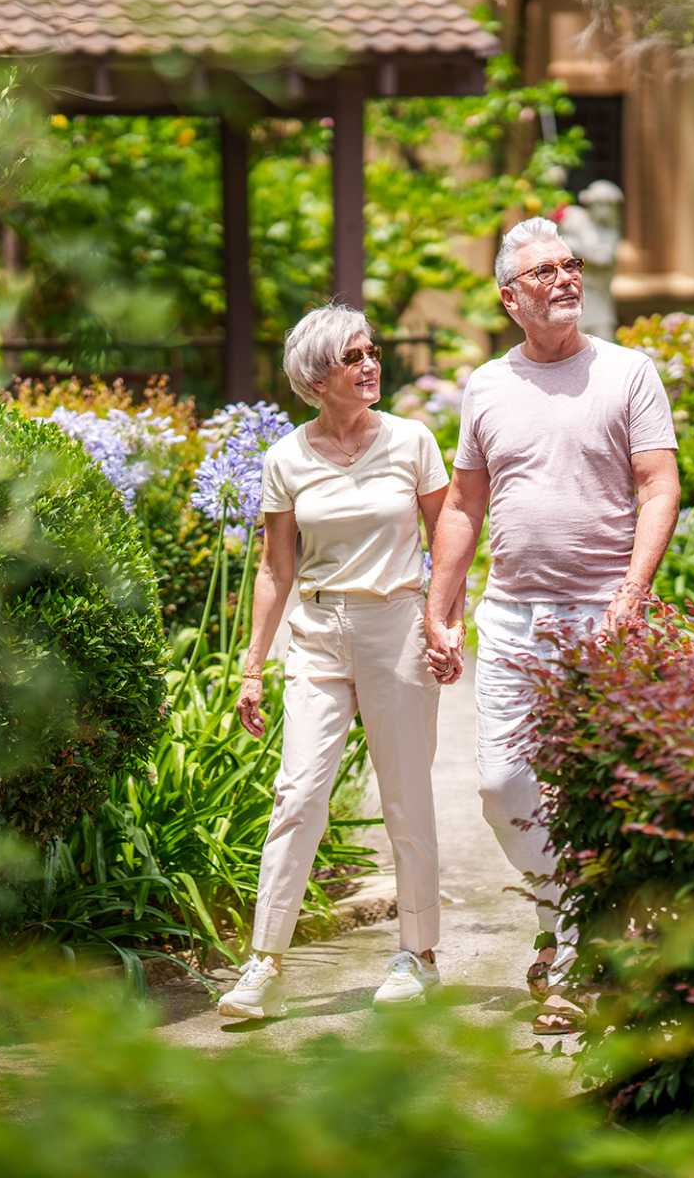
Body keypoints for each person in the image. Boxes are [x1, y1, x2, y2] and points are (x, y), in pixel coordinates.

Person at [424, 216, 680, 1035]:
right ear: (510, 297)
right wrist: (441, 606)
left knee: (596, 792)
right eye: (546, 272)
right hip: (511, 617)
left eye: (571, 265)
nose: (566, 278)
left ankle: (569, 954)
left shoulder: (628, 373)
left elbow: (659, 486)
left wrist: (632, 594)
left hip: (600, 614)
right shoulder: (488, 386)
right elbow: (465, 502)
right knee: (502, 786)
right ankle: (570, 921)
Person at [217, 305, 455, 1021]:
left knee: (405, 796)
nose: (372, 364)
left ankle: (418, 954)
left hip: (396, 627)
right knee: (297, 795)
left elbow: (449, 534)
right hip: (317, 633)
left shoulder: (413, 441)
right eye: (356, 357)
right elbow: (273, 567)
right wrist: (253, 667)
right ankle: (265, 962)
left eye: (372, 351)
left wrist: (445, 622)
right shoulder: (285, 457)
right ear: (320, 377)